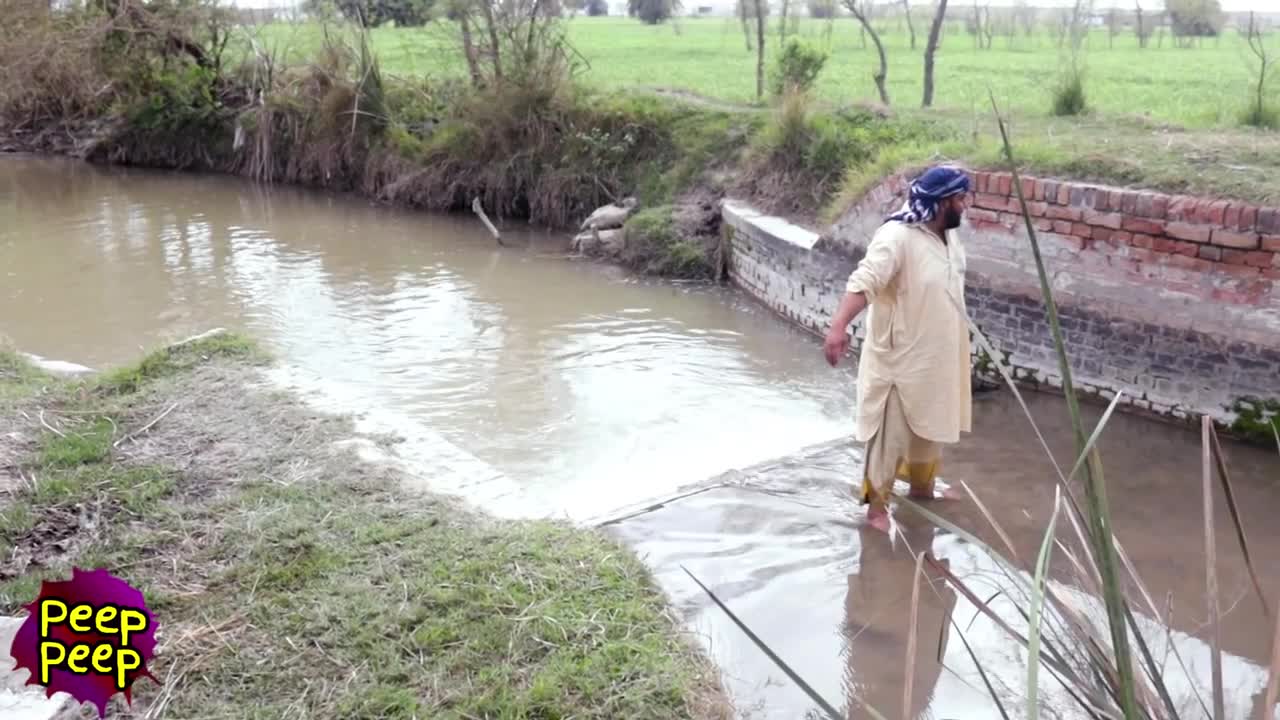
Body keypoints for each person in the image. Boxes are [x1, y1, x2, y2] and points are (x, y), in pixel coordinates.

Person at [822, 166, 974, 534]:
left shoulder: (947, 238)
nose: (964, 205)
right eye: (958, 199)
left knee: (931, 427)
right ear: (939, 203)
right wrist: (839, 326)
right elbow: (865, 280)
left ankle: (922, 490)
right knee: (888, 439)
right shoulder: (897, 237)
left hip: (936, 360)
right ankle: (876, 508)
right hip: (899, 361)